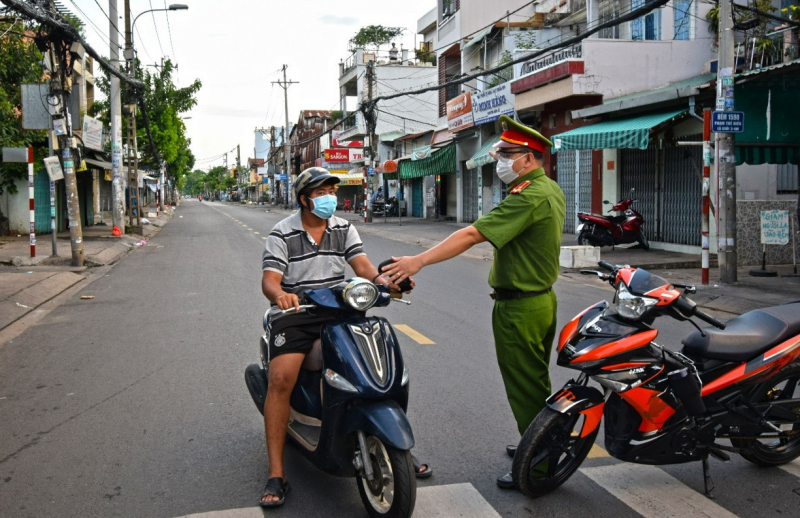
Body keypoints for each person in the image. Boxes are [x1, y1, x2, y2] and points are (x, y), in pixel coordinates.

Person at [381, 115, 566, 490]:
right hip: (540, 300)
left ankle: (541, 466)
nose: (500, 161)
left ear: (528, 158)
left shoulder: (529, 196)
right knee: (535, 380)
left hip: (521, 307)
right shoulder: (548, 188)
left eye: (506, 154)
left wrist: (417, 260)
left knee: (525, 386)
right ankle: (538, 442)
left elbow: (471, 234)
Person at [259, 167, 430, 508]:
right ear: (305, 199)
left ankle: (395, 445)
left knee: (373, 364)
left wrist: (387, 282)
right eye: (321, 192)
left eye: (331, 191)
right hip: (297, 315)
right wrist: (281, 296)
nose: (329, 198)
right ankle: (277, 473)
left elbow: (363, 268)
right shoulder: (282, 233)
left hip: (339, 308)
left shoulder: (343, 228)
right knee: (280, 379)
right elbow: (270, 280)